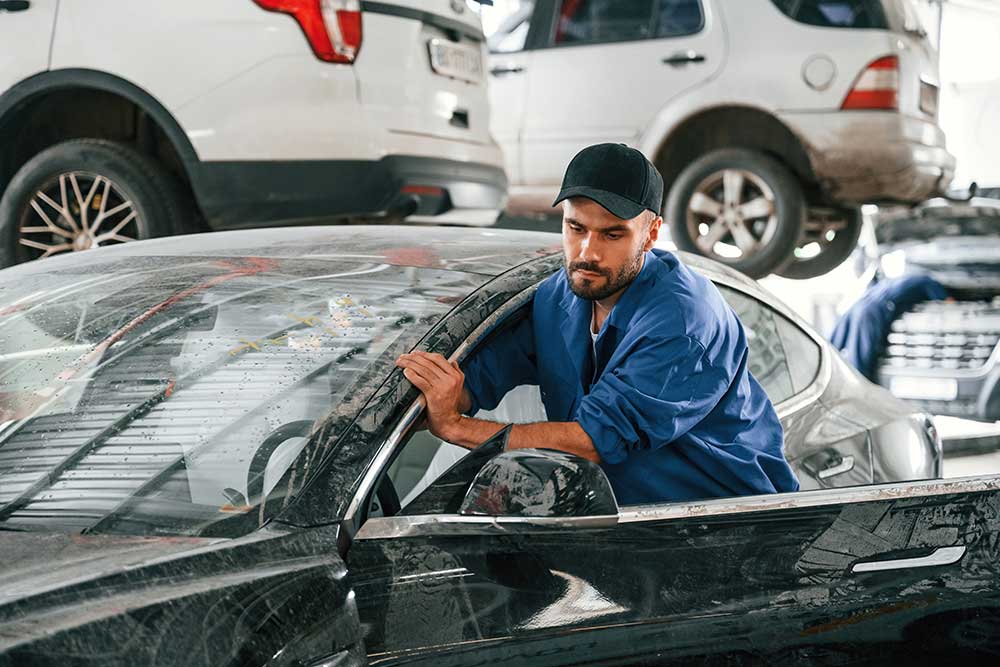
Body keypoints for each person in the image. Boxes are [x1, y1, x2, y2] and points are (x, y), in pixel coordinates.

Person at [396, 143, 799, 504]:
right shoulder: (558, 297)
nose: (588, 252)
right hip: (619, 518)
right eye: (576, 228)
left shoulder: (682, 322)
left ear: (651, 233)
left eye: (612, 234)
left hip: (725, 525)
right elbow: (480, 375)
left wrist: (455, 426)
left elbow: (591, 442)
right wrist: (425, 400)